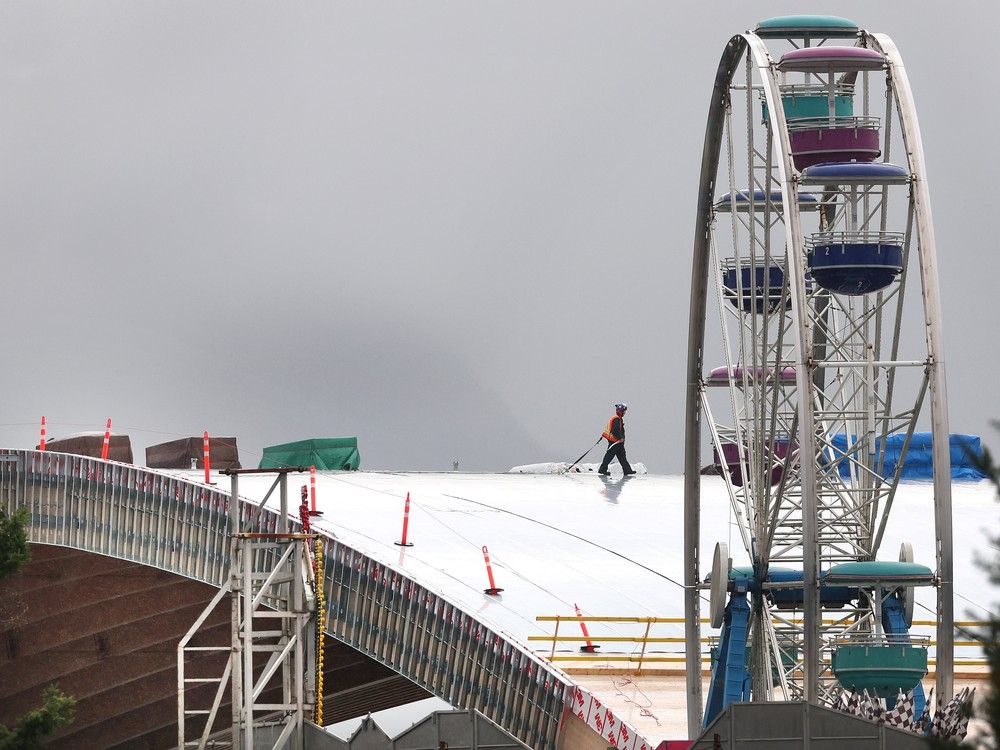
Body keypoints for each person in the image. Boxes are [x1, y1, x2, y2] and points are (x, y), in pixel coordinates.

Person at [598, 403, 635, 476]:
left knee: (622, 456)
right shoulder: (616, 419)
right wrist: (620, 438)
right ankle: (602, 469)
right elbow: (615, 430)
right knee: (609, 456)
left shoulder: (618, 418)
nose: (624, 413)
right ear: (621, 411)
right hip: (615, 441)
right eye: (623, 411)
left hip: (617, 442)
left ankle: (627, 470)